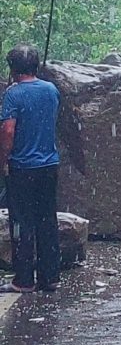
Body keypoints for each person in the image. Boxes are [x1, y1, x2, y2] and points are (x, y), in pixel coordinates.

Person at [0, 45, 61, 294]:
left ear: (13, 69)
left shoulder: (13, 95)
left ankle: (24, 280)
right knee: (47, 220)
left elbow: (8, 131)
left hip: (23, 167)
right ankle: (50, 277)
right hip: (49, 165)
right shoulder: (51, 90)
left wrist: (3, 158)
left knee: (22, 222)